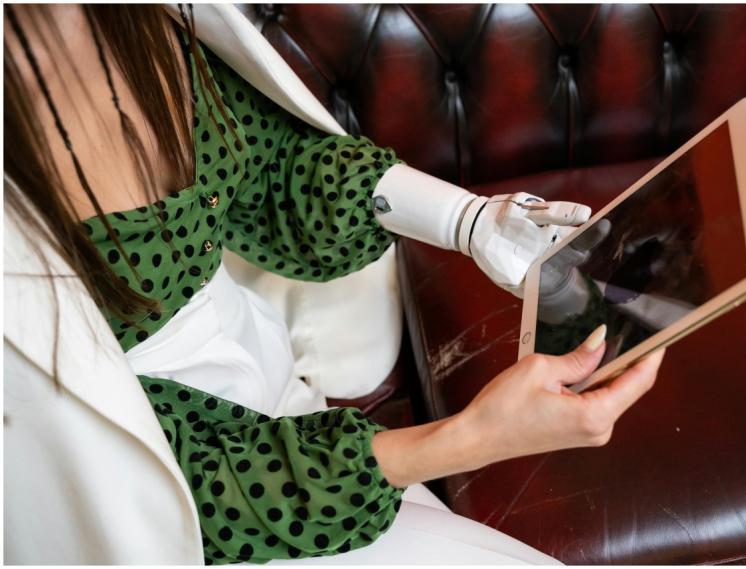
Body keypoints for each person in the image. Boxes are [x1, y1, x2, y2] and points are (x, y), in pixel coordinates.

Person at [3, 4, 664, 565]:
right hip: (201, 513)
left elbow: (269, 166)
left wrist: (471, 220)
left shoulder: (140, 17)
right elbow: (179, 497)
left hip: (298, 417)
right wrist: (469, 437)